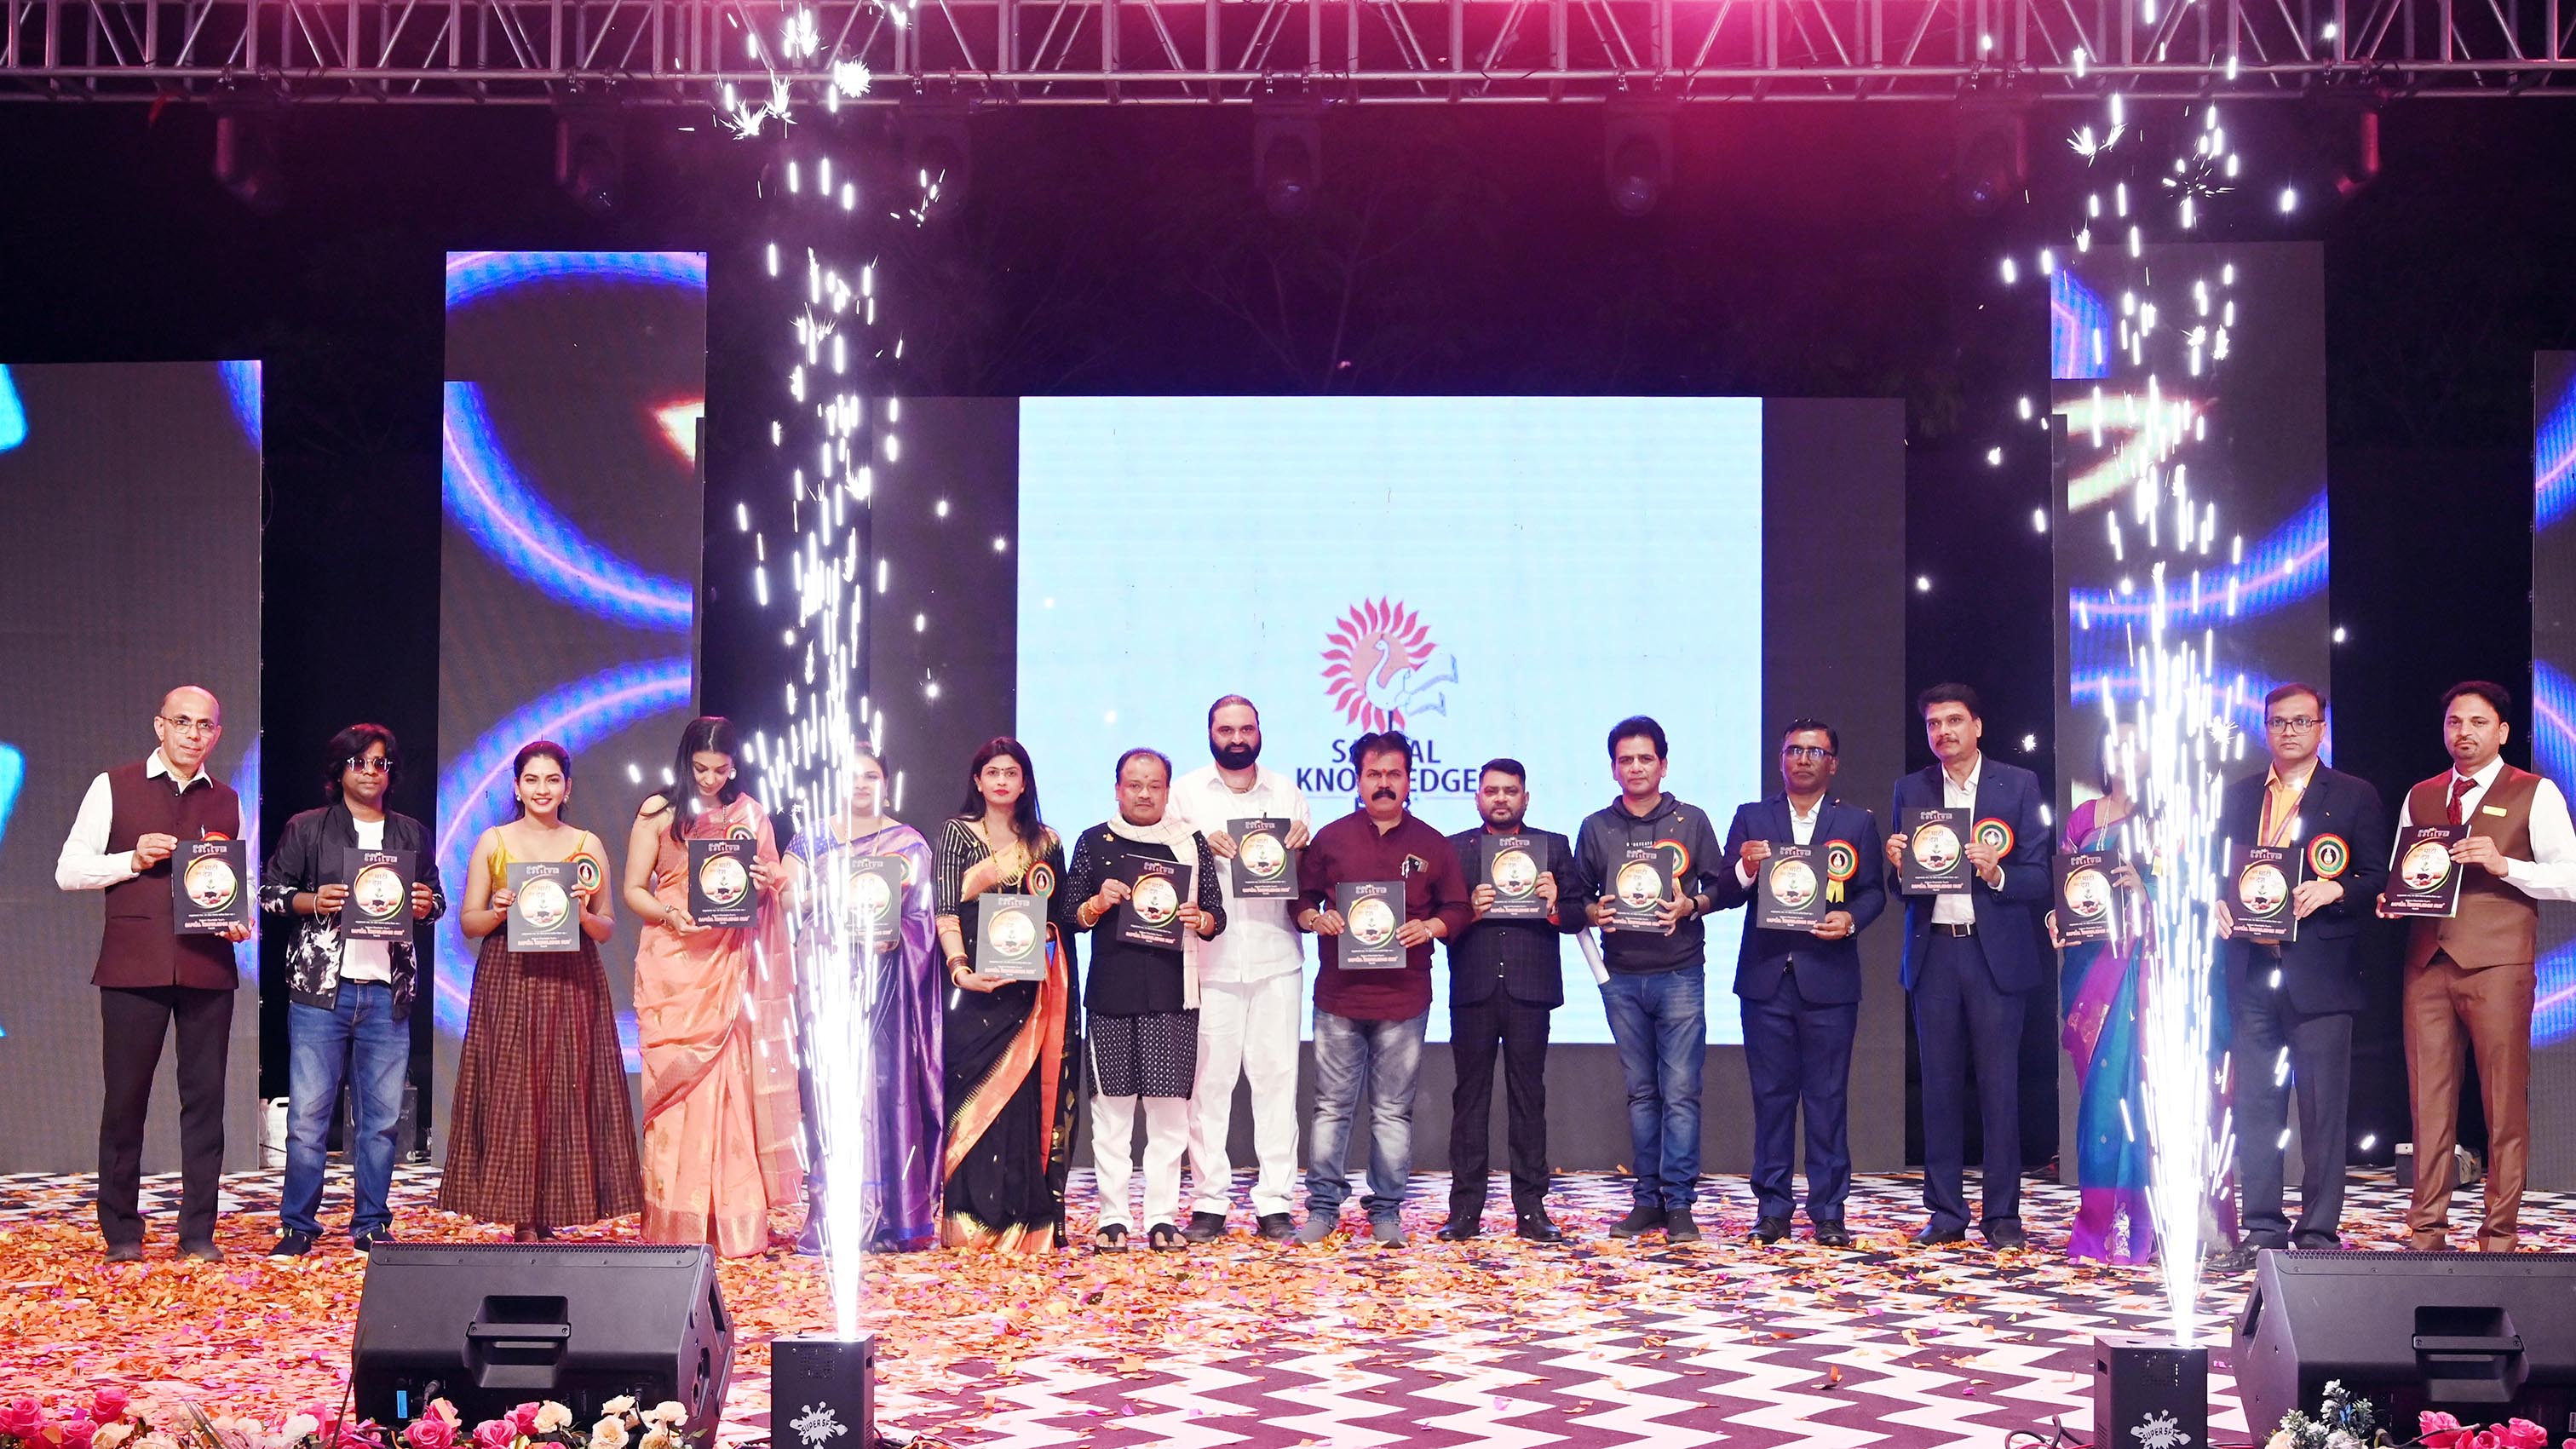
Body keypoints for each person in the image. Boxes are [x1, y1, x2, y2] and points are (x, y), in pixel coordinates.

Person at [55, 686, 250, 1262]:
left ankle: (198, 1232)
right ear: (160, 726)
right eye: (182, 722)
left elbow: (233, 883)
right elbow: (69, 870)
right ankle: (122, 1231)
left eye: (205, 725)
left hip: (207, 967)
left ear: (217, 734)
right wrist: (132, 860)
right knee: (125, 1101)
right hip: (133, 965)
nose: (194, 733)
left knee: (206, 1102)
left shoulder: (228, 799)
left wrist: (238, 921)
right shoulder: (113, 785)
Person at [2381, 681, 2576, 1252]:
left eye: (2477, 722)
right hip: (2427, 962)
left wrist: (2505, 863)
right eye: (2454, 722)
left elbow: (2570, 876)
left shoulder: (2533, 792)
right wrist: (2393, 901)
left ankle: (2499, 1235)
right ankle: (2426, 1231)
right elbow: (2405, 871)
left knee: (2503, 1102)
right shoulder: (2421, 795)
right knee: (2428, 1102)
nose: (2463, 732)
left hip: (2497, 964)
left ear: (2503, 731)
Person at [2205, 683, 2387, 1267]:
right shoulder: (2237, 795)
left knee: (2322, 1110)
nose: (2289, 731)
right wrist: (2217, 902)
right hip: (2252, 968)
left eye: (2301, 721)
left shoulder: (2353, 794)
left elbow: (2378, 876)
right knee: (2256, 1108)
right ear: (2265, 727)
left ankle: (2317, 1232)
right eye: (2278, 721)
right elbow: (2216, 871)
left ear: (2320, 728)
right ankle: (2262, 1227)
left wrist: (2336, 890)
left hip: (2320, 971)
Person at [440, 740, 643, 1240]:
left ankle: (552, 1211)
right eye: (531, 780)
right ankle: (520, 1215)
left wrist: (584, 913)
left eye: (552, 780)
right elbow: (469, 922)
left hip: (571, 976)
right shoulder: (494, 842)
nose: (542, 789)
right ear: (516, 787)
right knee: (513, 1089)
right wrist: (498, 910)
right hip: (509, 975)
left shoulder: (586, 845)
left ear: (567, 788)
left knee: (565, 1088)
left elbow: (607, 927)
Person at [257, 723, 446, 1256]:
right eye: (359, 762)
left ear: (391, 772)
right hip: (321, 991)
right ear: (339, 770)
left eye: (380, 763)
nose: (370, 772)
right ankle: (297, 1225)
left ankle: (372, 1224)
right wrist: (312, 901)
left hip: (388, 994)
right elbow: (268, 893)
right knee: (307, 1120)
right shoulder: (307, 827)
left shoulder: (411, 834)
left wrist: (426, 904)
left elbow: (438, 901)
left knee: (381, 1122)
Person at [625, 716, 804, 1257]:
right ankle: (676, 1219)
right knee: (676, 1091)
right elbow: (634, 889)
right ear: (687, 761)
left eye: (720, 769)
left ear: (734, 766)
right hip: (674, 962)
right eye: (700, 768)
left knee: (730, 1087)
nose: (709, 779)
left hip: (730, 962)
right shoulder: (658, 812)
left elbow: (775, 884)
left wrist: (766, 881)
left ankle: (732, 1218)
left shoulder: (750, 815)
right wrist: (670, 915)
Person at [1709, 720, 1885, 1249]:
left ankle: (1829, 1212)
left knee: (1828, 1099)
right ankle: (1772, 1210)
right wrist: (1745, 869)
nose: (1803, 759)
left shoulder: (1855, 821)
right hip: (1766, 979)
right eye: (1794, 750)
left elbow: (1873, 892)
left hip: (1829, 979)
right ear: (1781, 758)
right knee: (1771, 1098)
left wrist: (1849, 920)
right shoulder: (1752, 816)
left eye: (1816, 751)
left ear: (1833, 763)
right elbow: (1725, 891)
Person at [1292, 730, 1471, 1247]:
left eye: (1394, 774)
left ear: (1410, 780)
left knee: (1392, 1111)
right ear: (1358, 779)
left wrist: (1432, 927)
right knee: (1331, 1108)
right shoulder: (1331, 839)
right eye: (1374, 774)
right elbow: (1300, 899)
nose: (1384, 783)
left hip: (1404, 999)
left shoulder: (1433, 843)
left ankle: (1387, 1210)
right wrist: (1314, 918)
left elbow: (1458, 908)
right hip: (1339, 998)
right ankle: (1322, 1208)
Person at [1885, 683, 2048, 1251]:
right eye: (1934, 724)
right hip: (1934, 954)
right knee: (1938, 1088)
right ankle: (1945, 1212)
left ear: (1977, 726)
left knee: (2000, 1089)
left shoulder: (2017, 784)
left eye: (1954, 721)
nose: (1944, 732)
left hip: (1992, 954)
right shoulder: (1911, 788)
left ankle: (2002, 1216)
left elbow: (2039, 876)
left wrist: (1996, 872)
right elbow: (1902, 890)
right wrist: (1898, 865)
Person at [1561, 716, 1729, 1244]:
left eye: (1645, 758)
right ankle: (1647, 1200)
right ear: (1613, 769)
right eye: (1625, 760)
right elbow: (1573, 900)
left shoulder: (1691, 820)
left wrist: (1691, 904)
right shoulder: (1596, 827)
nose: (1635, 768)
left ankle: (1679, 1204)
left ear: (1663, 764)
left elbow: (1722, 887)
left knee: (1680, 1093)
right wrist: (1594, 911)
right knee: (1640, 1093)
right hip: (1621, 978)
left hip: (1680, 973)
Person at [781, 744, 942, 1255]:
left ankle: (890, 1214)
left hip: (886, 981)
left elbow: (922, 919)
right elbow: (788, 902)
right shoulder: (812, 838)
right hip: (827, 972)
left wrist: (897, 940)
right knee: (832, 1088)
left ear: (886, 784)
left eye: (871, 775)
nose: (860, 784)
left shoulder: (908, 844)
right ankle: (835, 1216)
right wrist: (828, 891)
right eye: (851, 775)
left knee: (881, 1089)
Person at [1063, 748, 1226, 1251]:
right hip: (1111, 994)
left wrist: (1202, 919)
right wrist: (1097, 903)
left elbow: (1216, 914)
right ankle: (1113, 1217)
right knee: (1111, 1115)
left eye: (1154, 785)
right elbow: (1068, 913)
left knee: (1169, 1117)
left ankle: (1161, 1218)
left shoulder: (1189, 842)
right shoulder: (1094, 841)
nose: (1144, 794)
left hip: (1172, 994)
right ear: (1117, 789)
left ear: (1167, 790)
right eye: (1134, 784)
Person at [1165, 696, 1313, 1244]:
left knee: (1278, 1083)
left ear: (1259, 732)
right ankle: (1210, 1202)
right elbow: (1160, 870)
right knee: (1209, 1086)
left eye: (1245, 728)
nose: (1236, 738)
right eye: (1225, 729)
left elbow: (1307, 874)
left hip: (1276, 956)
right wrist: (1197, 850)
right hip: (1211, 960)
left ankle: (1275, 1202)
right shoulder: (1184, 793)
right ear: (1210, 733)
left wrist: (1304, 846)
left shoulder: (1286, 792)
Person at [934, 737, 1078, 1253]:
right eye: (992, 772)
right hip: (974, 991)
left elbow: (1059, 917)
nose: (1001, 781)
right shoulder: (957, 834)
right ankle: (967, 1222)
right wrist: (960, 970)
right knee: (972, 1096)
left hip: (1028, 994)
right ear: (978, 781)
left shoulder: (1046, 842)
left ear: (1024, 782)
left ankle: (1023, 1221)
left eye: (1011, 773)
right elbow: (945, 912)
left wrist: (1042, 946)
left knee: (1022, 1103)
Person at [1437, 757, 1581, 1244]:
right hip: (1474, 987)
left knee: (1528, 1099)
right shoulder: (1454, 849)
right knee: (1469, 1101)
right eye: (1492, 791)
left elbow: (1579, 914)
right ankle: (1464, 1212)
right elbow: (1440, 920)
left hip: (1530, 989)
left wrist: (1556, 903)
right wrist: (1468, 913)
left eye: (1510, 791)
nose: (1501, 798)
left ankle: (1532, 1210)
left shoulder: (1553, 847)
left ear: (1526, 797)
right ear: (1478, 797)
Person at [2044, 724, 2155, 1263]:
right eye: (2115, 744)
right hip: (2089, 972)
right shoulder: (2083, 819)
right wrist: (2055, 917)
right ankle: (2096, 1223)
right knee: (2099, 1103)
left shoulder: (2164, 817)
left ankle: (2144, 1226)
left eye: (2135, 744)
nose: (2123, 754)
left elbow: (2194, 894)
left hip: (2141, 973)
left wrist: (2145, 889)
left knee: (2137, 1096)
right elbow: (2067, 888)